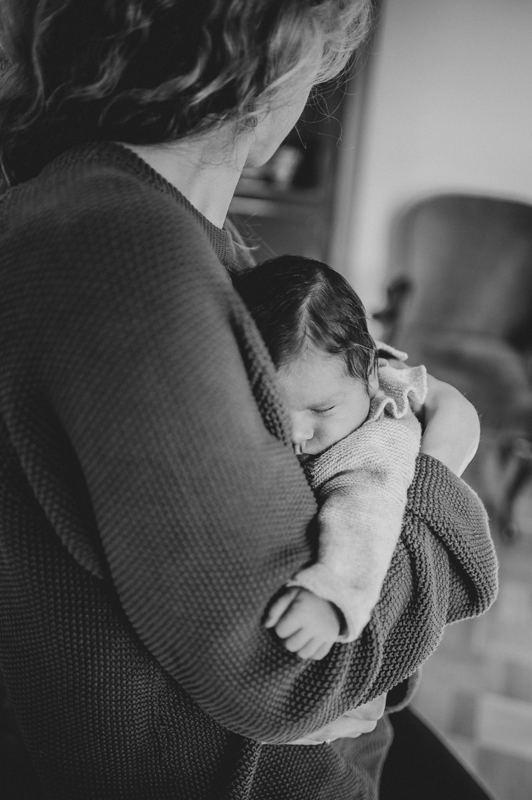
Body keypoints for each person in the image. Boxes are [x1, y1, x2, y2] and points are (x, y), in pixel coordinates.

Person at [0, 2, 498, 799]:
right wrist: (441, 461)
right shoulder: (124, 251)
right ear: (287, 50)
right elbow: (287, 679)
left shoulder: (178, 234)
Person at [236, 255, 429, 659]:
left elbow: (368, 515)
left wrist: (333, 596)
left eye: (322, 410)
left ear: (371, 376)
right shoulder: (336, 382)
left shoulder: (377, 442)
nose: (296, 433)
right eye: (271, 405)